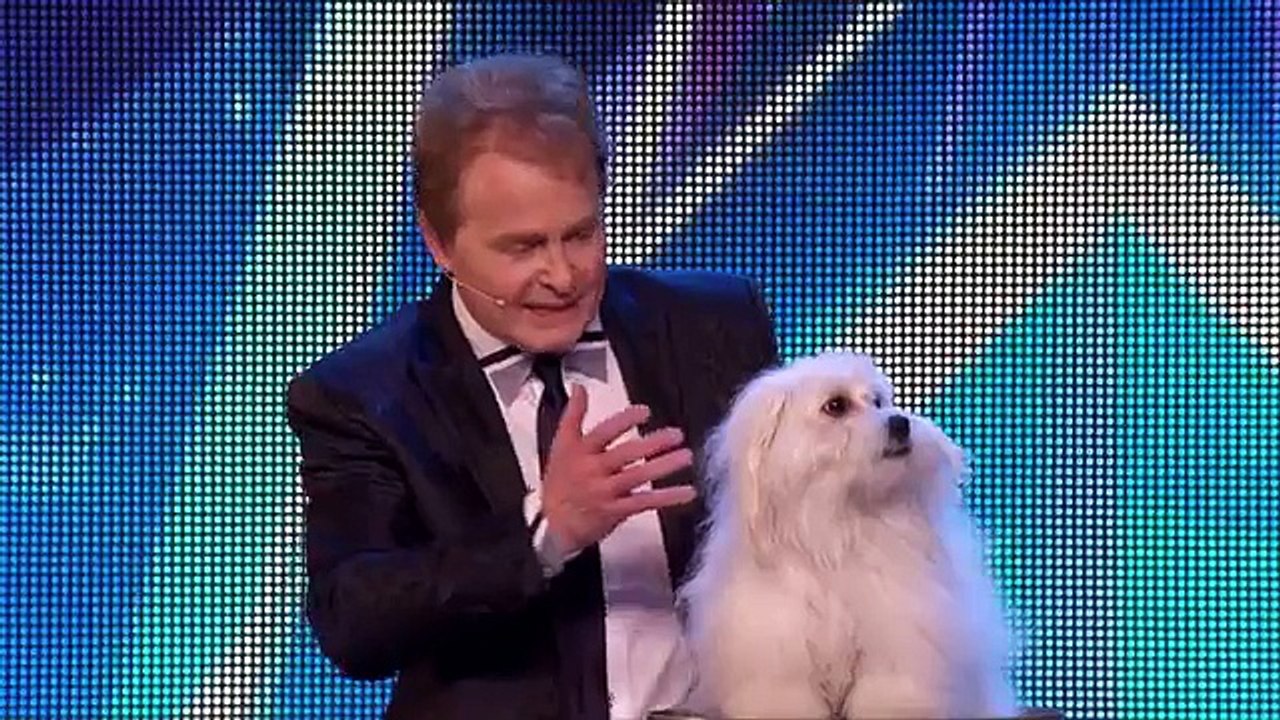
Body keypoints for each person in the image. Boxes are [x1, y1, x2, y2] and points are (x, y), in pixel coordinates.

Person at [285, 52, 778, 720]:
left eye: (580, 234)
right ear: (439, 243)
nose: (562, 274)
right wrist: (547, 529)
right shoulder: (367, 394)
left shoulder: (715, 327)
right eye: (522, 247)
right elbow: (356, 621)